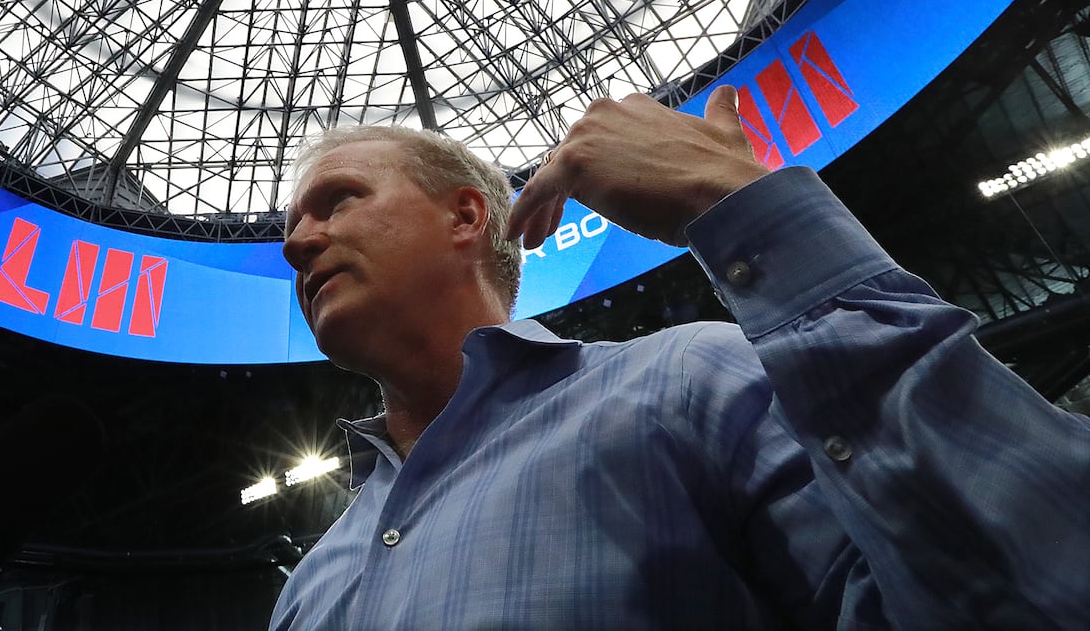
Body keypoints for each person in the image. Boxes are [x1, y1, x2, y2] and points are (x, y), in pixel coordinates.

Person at [269, 87, 1090, 630]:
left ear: (466, 215)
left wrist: (736, 201)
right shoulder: (308, 588)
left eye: (338, 201)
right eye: (293, 229)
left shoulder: (686, 382)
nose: (299, 243)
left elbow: (1032, 582)